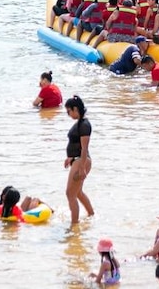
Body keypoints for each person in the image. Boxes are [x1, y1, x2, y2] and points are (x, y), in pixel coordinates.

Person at [64, 96, 94, 224]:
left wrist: (81, 168)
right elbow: (77, 144)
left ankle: (74, 225)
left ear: (75, 109)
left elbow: (84, 148)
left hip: (81, 161)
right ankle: (91, 214)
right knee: (77, 192)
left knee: (70, 194)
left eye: (68, 111)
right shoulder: (80, 123)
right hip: (77, 160)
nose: (68, 114)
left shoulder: (84, 125)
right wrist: (70, 158)